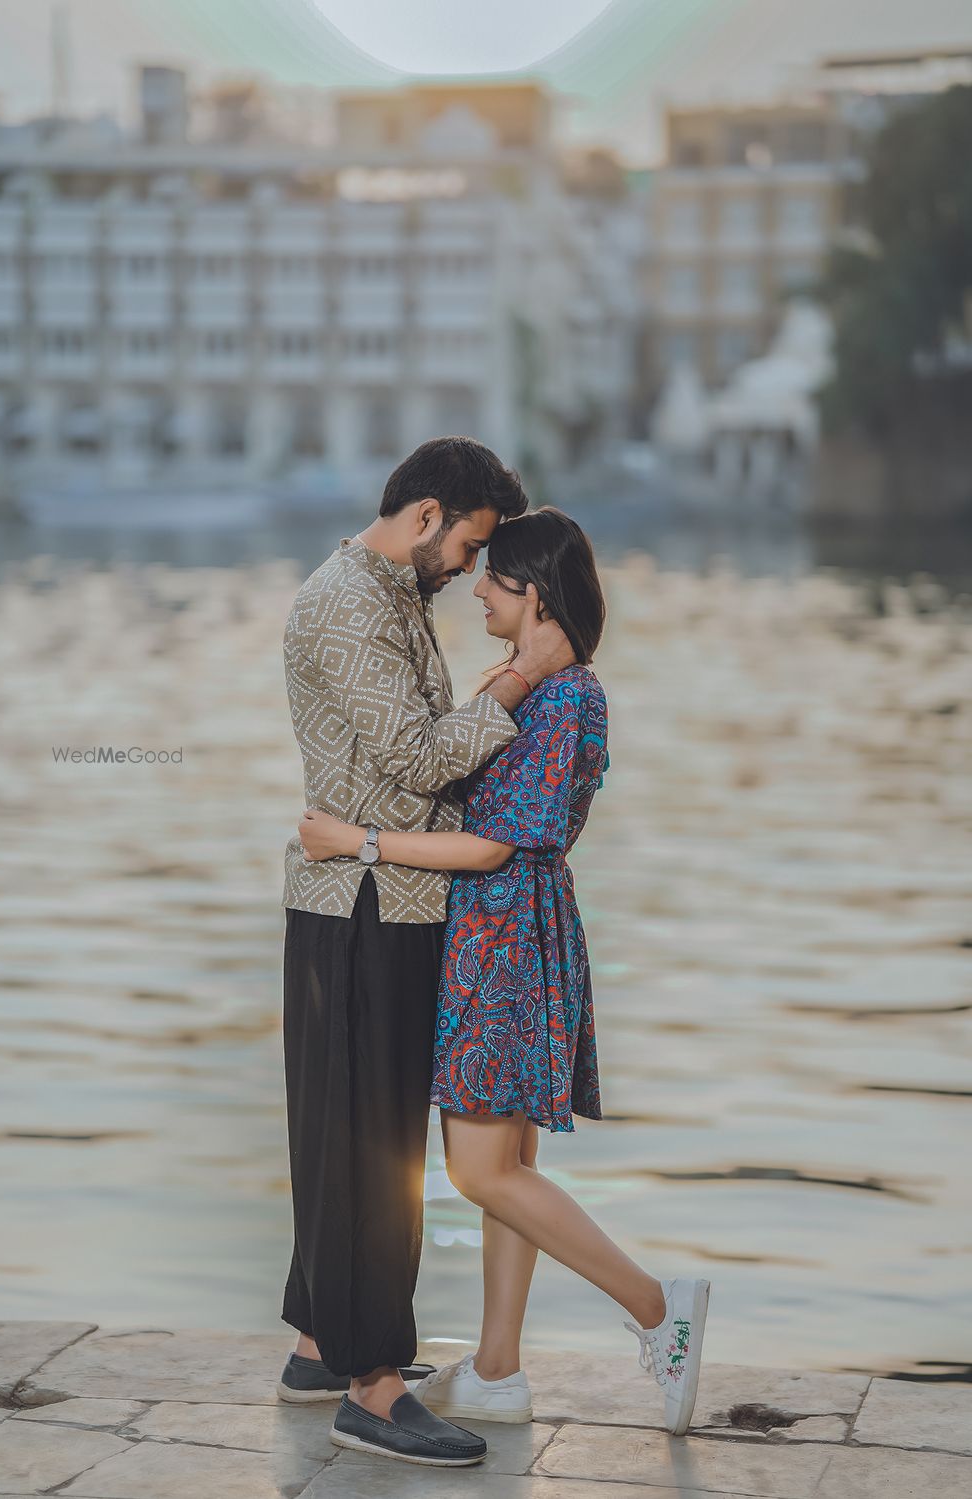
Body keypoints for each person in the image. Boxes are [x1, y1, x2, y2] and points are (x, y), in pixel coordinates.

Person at [298, 508, 711, 1440]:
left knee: (480, 1169)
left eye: (495, 577)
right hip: (511, 934)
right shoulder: (537, 688)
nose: (477, 586)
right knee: (511, 1162)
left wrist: (354, 840)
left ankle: (657, 1306)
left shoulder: (568, 699)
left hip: (506, 939)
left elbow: (489, 846)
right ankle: (495, 1368)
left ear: (533, 593)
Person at [276, 437, 576, 1468]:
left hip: (367, 893)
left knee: (339, 1124)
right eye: (469, 545)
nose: (467, 569)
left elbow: (400, 749)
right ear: (425, 515)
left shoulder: (382, 589)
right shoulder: (355, 601)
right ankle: (372, 1386)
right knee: (371, 1146)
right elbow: (410, 760)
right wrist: (517, 681)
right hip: (366, 896)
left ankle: (321, 1342)